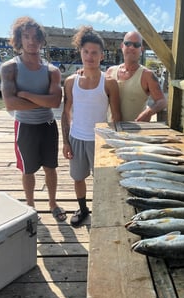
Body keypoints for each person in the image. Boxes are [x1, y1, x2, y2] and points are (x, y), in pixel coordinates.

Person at [0, 16, 66, 222]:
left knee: (50, 167)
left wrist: (27, 95)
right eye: (26, 36)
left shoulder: (52, 71)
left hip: (47, 125)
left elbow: (56, 102)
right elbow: (10, 104)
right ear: (19, 39)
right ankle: (30, 205)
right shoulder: (10, 68)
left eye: (36, 37)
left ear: (41, 40)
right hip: (25, 126)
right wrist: (44, 101)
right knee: (27, 169)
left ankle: (53, 203)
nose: (31, 41)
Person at [61, 26, 121, 228]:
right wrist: (65, 142)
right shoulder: (70, 81)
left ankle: (102, 209)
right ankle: (83, 208)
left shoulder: (110, 82)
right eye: (86, 51)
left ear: (102, 56)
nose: (90, 56)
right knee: (78, 177)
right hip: (77, 138)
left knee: (102, 180)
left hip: (100, 140)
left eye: (94, 52)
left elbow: (117, 116)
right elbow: (65, 112)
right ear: (80, 52)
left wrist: (116, 144)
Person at [106, 31, 167, 122]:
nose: (131, 47)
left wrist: (149, 112)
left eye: (136, 45)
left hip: (135, 132)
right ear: (122, 46)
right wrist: (83, 71)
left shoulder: (147, 75)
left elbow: (162, 101)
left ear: (141, 49)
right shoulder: (110, 71)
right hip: (110, 131)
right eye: (128, 43)